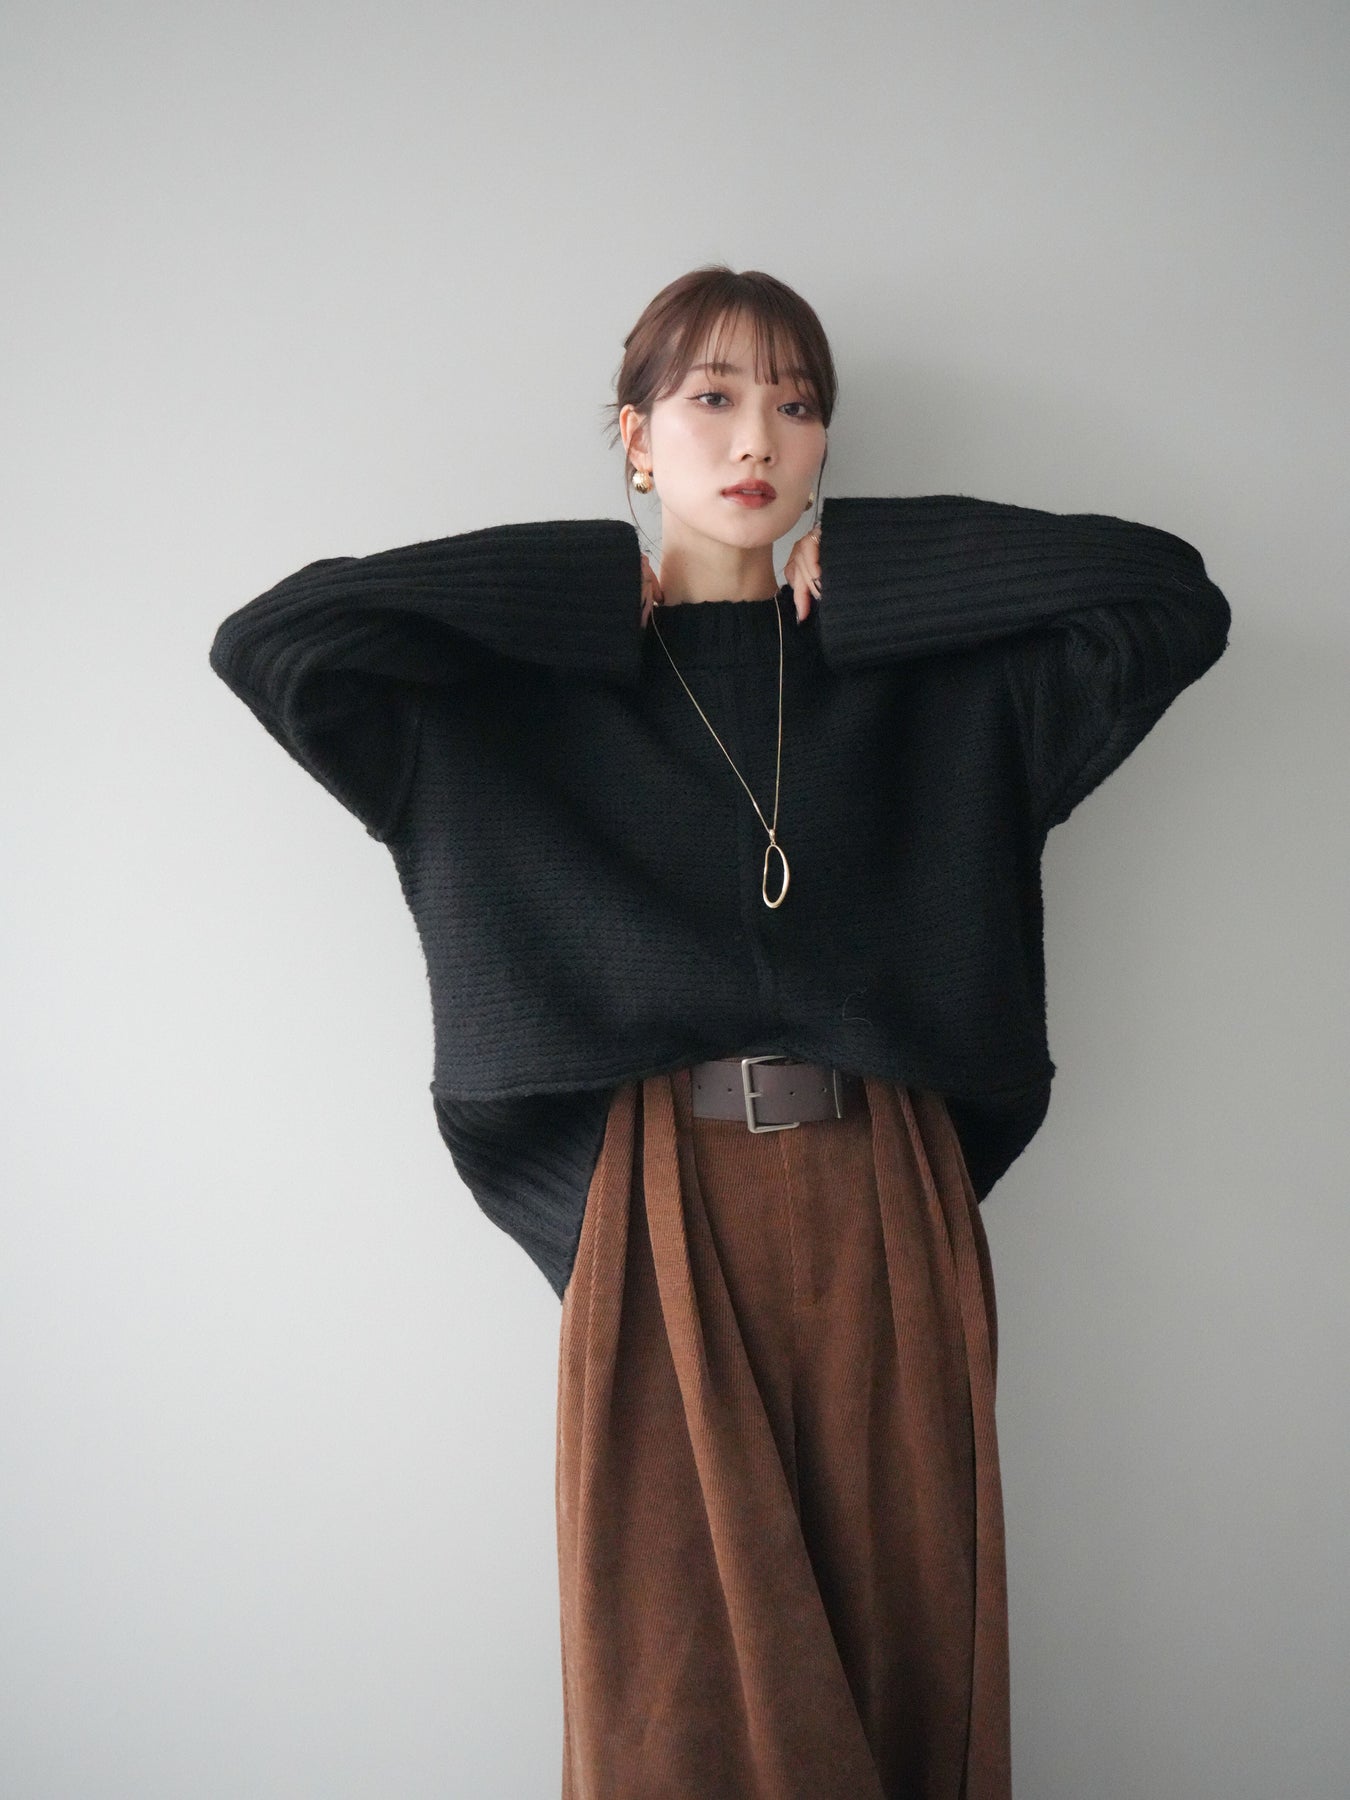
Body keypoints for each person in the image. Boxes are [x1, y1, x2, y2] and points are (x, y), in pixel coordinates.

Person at [209, 264, 1231, 1798]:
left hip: (883, 1190)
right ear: (632, 436)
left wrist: (877, 569)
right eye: (712, 397)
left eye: (797, 405)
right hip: (658, 1206)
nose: (758, 437)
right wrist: (576, 588)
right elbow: (279, 644)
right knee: (673, 1682)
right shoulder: (518, 701)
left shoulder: (940, 689)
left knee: (905, 1649)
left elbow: (1165, 598)